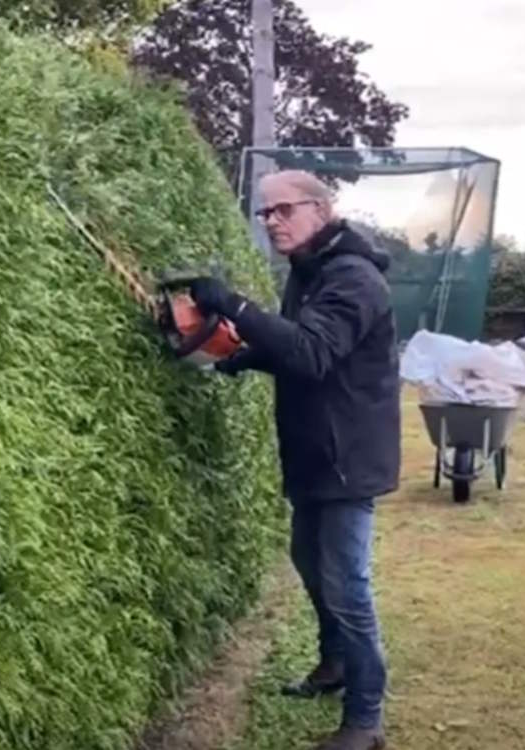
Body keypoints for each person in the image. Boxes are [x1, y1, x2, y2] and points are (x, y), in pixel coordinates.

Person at [171, 170, 401, 750]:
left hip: (347, 455)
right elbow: (301, 355)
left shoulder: (353, 278)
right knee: (308, 560)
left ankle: (366, 720)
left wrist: (234, 304)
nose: (271, 221)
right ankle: (335, 664)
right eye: (265, 213)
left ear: (322, 210)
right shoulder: (310, 272)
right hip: (315, 451)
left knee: (348, 584)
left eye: (283, 210)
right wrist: (244, 357)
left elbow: (316, 352)